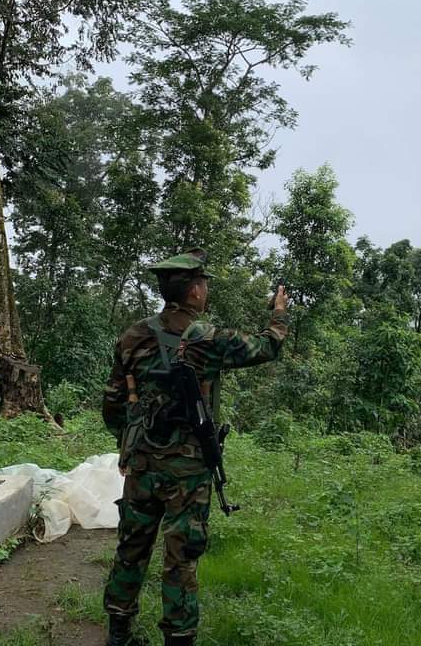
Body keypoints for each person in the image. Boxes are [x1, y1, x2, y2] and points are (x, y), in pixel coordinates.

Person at [102, 247, 288, 646]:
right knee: (182, 554)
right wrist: (279, 312)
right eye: (203, 283)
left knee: (131, 546)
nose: (205, 290)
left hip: (141, 462)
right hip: (187, 469)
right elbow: (267, 346)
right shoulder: (204, 337)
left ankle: (118, 633)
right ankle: (179, 638)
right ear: (193, 292)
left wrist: (128, 445)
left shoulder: (133, 334)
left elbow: (113, 401)